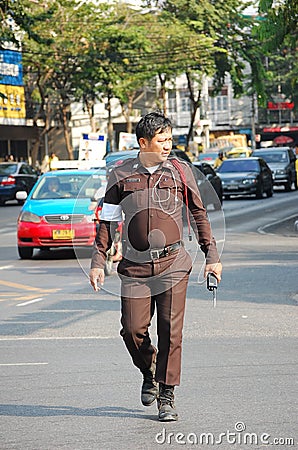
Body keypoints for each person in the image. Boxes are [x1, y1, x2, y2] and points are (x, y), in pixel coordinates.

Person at [89, 111, 222, 422]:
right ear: (143, 142)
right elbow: (107, 221)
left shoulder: (180, 172)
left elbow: (199, 215)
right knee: (132, 330)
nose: (167, 146)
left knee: (171, 332)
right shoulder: (120, 175)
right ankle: (149, 369)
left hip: (173, 264)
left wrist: (211, 256)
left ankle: (167, 394)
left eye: (170, 139)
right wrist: (98, 261)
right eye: (162, 140)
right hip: (134, 267)